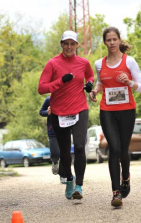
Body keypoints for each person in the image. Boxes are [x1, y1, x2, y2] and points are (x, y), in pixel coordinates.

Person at [89, 26, 141, 207]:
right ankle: (116, 192)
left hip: (127, 110)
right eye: (108, 40)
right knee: (113, 148)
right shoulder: (99, 63)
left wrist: (129, 82)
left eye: (114, 39)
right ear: (104, 42)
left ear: (119, 40)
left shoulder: (129, 62)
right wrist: (95, 91)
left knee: (123, 150)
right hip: (107, 110)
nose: (112, 43)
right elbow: (100, 82)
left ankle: (126, 177)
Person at [38, 30, 94, 200]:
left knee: (78, 147)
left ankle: (79, 186)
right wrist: (60, 81)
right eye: (66, 43)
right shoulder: (52, 63)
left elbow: (90, 75)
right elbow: (41, 88)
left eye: (73, 44)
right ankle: (69, 179)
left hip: (79, 109)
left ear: (77, 45)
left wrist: (90, 83)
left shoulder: (83, 63)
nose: (69, 47)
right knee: (64, 152)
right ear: (61, 44)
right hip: (59, 112)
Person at [39, 96, 60, 175]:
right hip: (52, 130)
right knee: (55, 152)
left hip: (65, 129)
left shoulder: (66, 98)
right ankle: (55, 162)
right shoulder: (49, 99)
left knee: (65, 154)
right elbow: (41, 111)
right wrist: (47, 112)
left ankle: (65, 175)